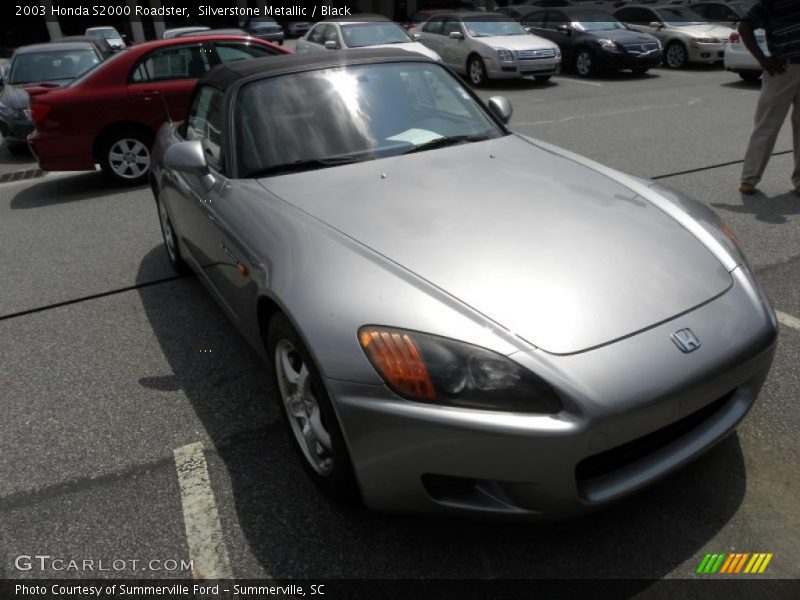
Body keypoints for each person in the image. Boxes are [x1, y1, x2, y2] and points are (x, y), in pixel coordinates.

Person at [738, 0, 800, 195]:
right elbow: (745, 26)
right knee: (767, 126)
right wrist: (763, 60)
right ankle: (749, 178)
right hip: (782, 69)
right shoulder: (773, 2)